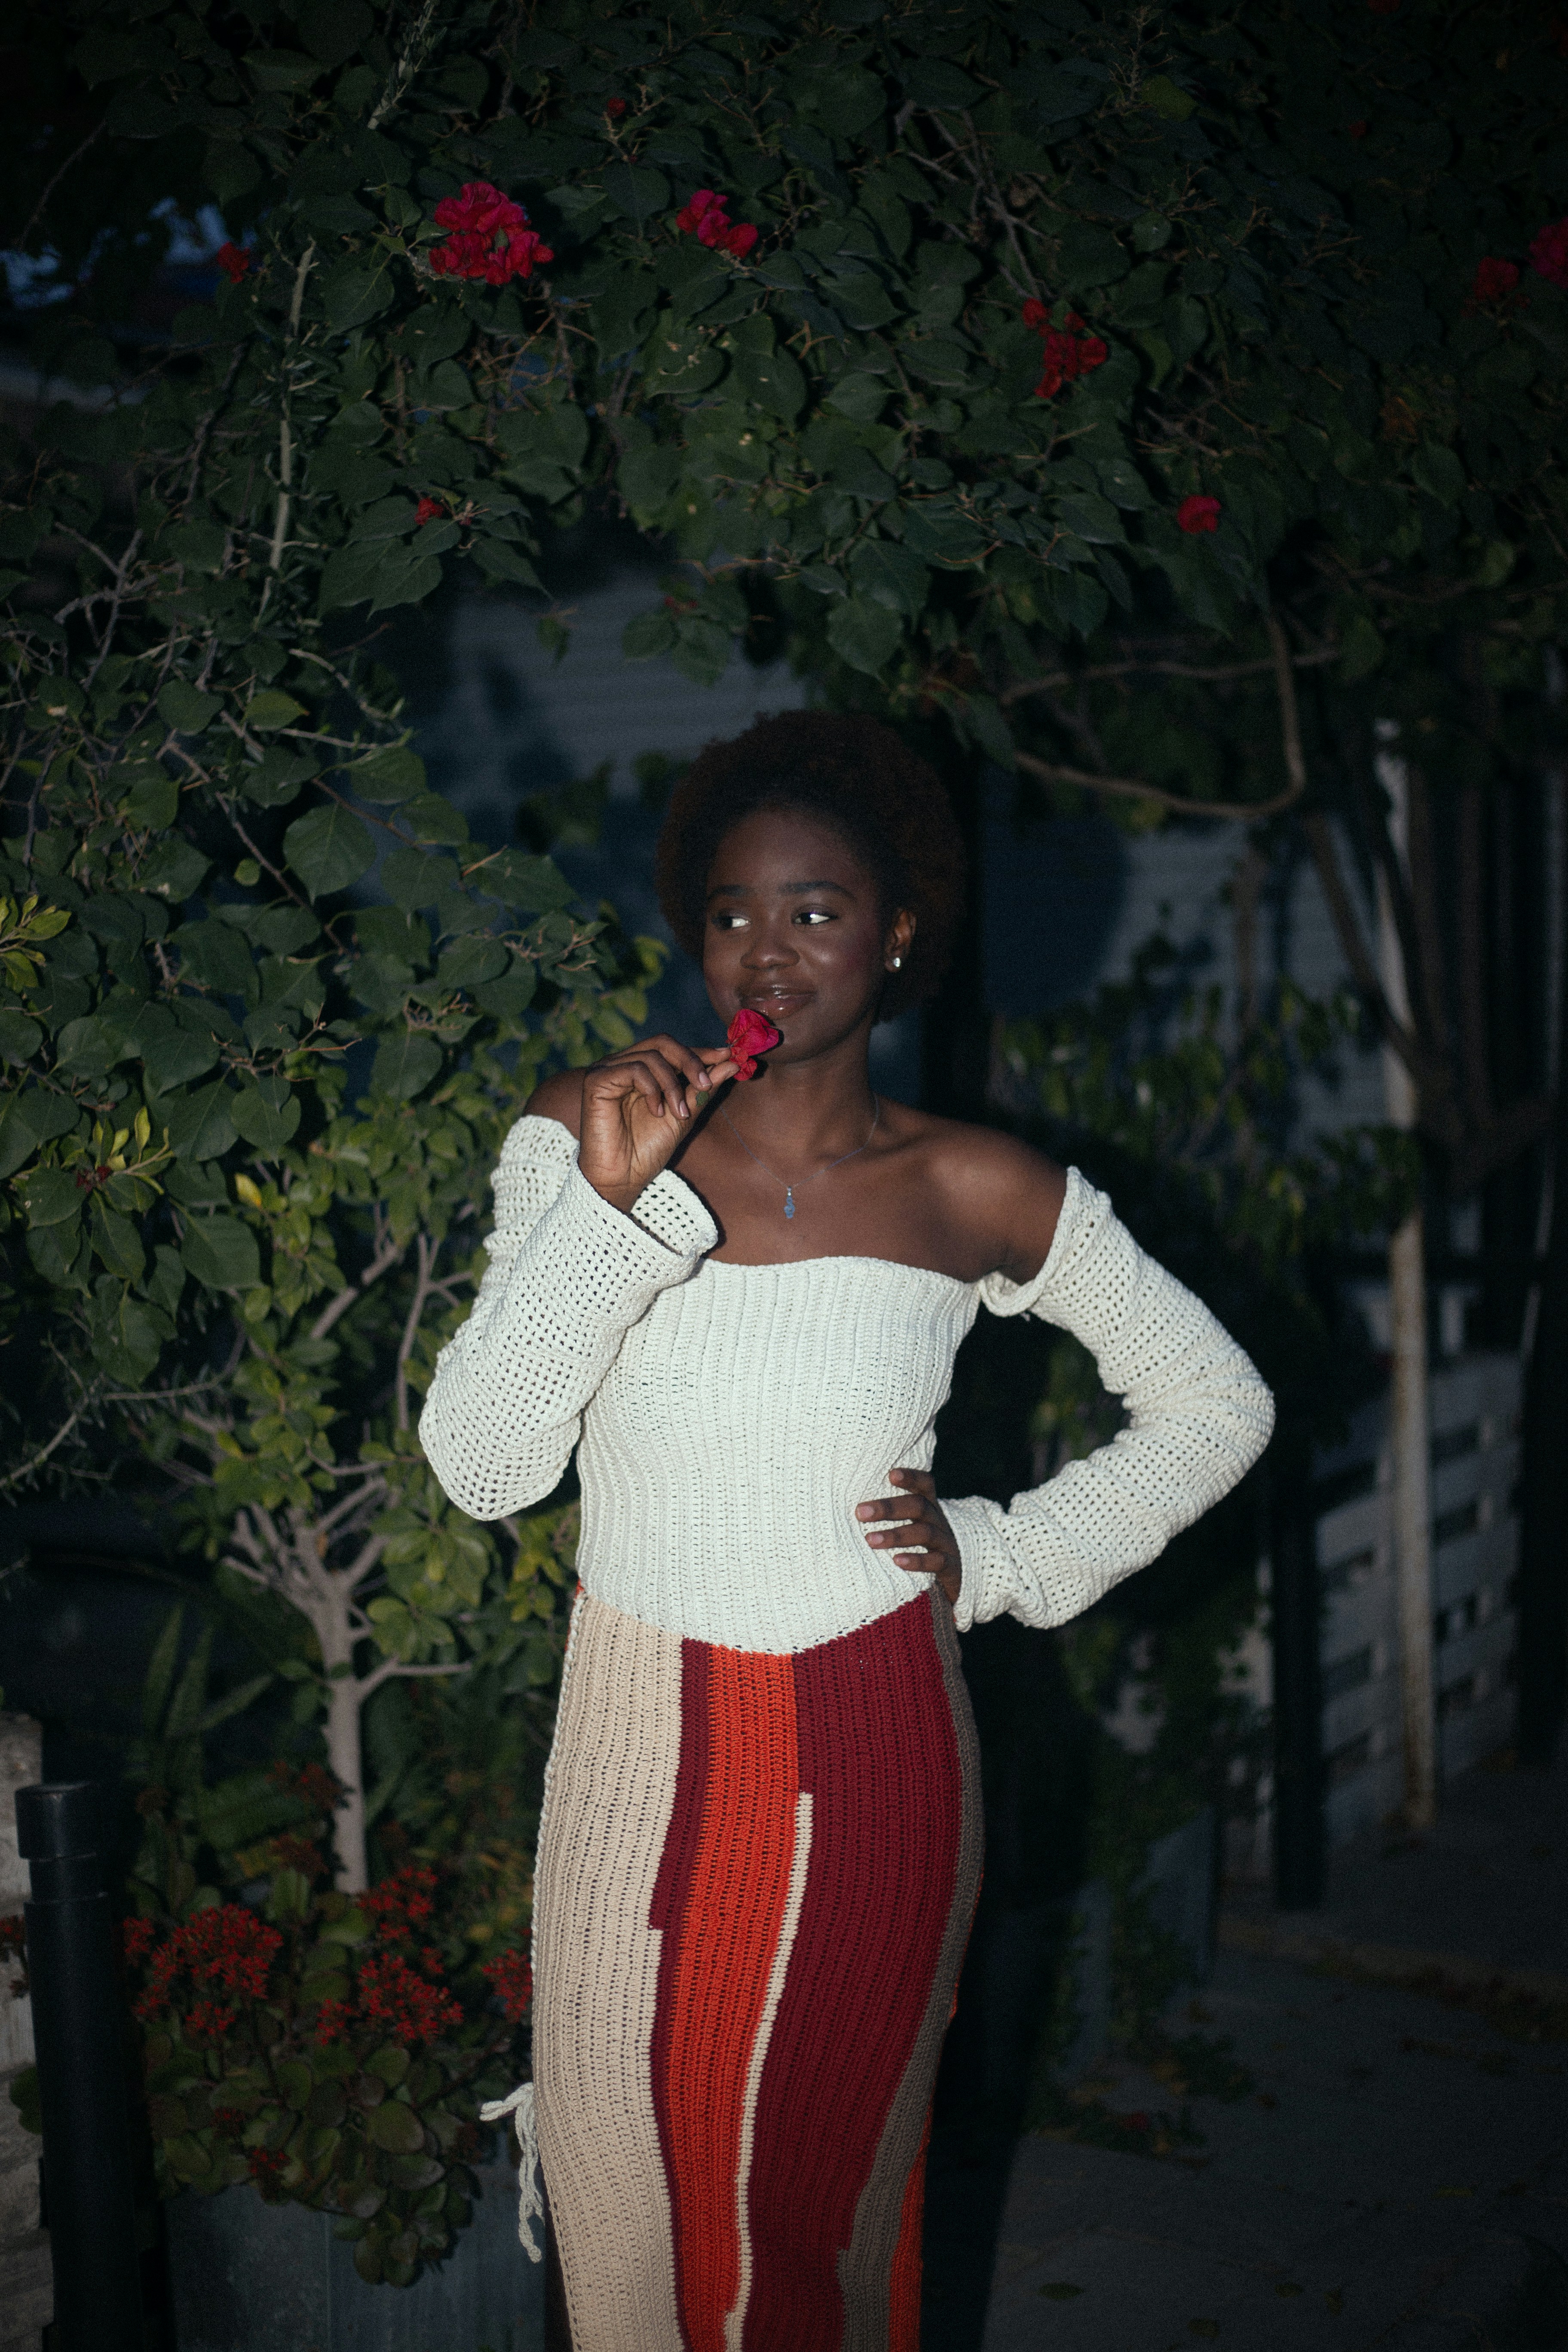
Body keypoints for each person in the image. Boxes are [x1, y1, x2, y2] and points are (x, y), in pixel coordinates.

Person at [420, 711, 1274, 2352]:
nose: (769, 948)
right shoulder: (585, 1129)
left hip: (876, 1740)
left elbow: (1216, 1404)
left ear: (897, 934)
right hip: (641, 1747)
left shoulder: (975, 1186)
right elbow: (482, 1464)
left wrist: (1007, 1553)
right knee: (629, 2219)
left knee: (824, 2218)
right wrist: (612, 1211)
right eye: (735, 910)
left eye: (817, 911)